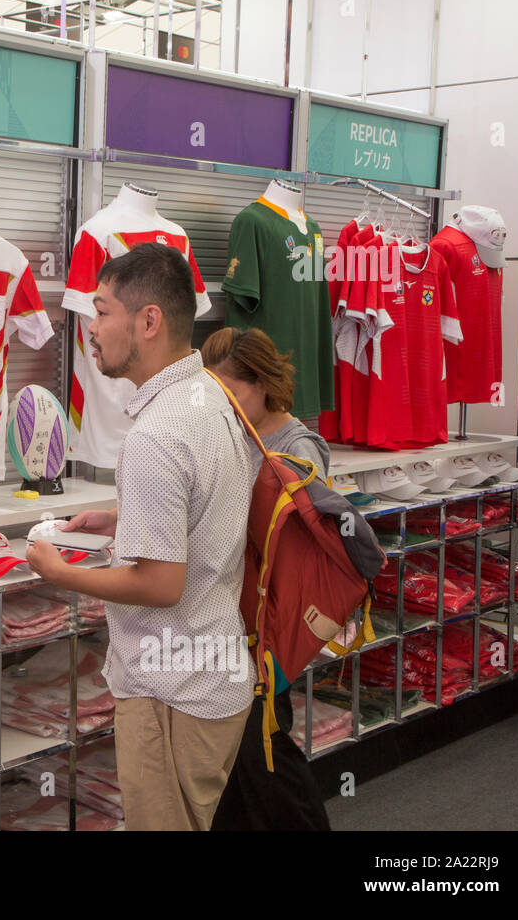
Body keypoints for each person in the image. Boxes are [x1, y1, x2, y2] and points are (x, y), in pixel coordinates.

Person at [25, 243, 255, 831]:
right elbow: (206, 510)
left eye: (101, 312)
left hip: (172, 694)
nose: (91, 328)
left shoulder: (157, 433)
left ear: (148, 320)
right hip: (211, 674)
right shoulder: (207, 395)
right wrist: (125, 516)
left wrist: (61, 574)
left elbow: (159, 583)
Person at [200, 326, 332, 832]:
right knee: (233, 762)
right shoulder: (233, 433)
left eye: (234, 392)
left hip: (267, 629)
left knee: (266, 756)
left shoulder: (298, 447)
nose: (226, 405)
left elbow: (294, 552)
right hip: (227, 621)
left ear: (264, 383)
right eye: (217, 394)